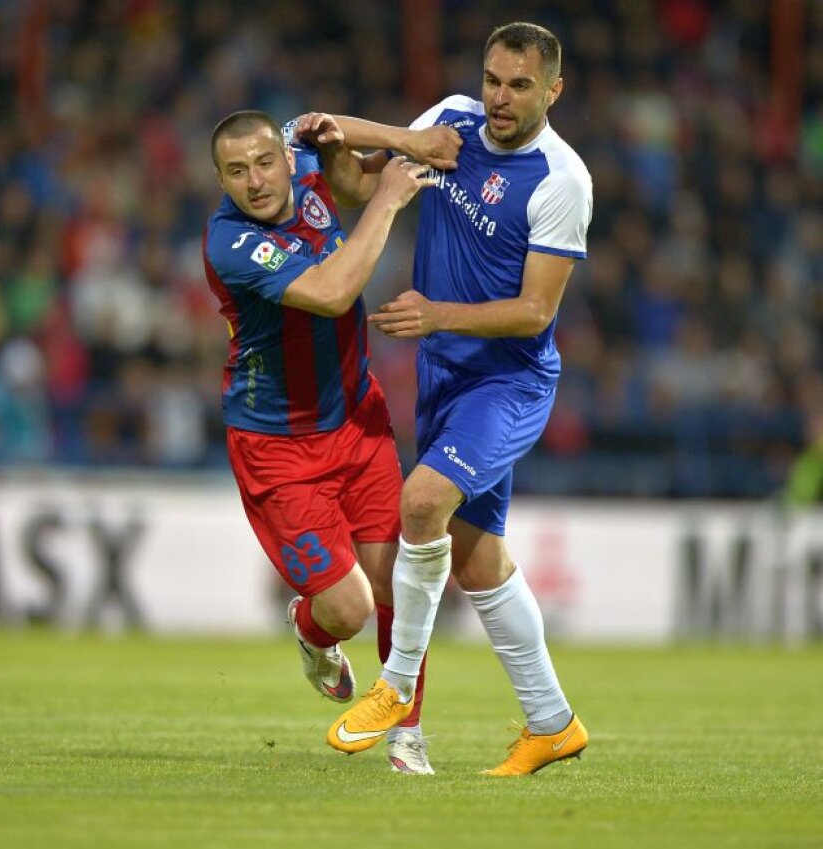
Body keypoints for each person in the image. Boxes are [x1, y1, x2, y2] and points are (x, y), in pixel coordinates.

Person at [301, 21, 593, 775]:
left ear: (553, 91)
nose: (500, 97)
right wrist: (335, 141)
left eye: (520, 85)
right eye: (494, 78)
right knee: (476, 558)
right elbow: (362, 186)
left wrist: (434, 314)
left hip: (508, 381)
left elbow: (535, 312)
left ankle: (395, 687)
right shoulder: (451, 121)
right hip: (445, 378)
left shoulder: (561, 179)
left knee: (421, 503)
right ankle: (552, 723)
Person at [202, 110, 459, 774]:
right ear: (220, 179)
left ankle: (409, 732)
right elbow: (335, 291)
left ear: (284, 158)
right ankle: (311, 628)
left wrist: (403, 143)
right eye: (236, 171)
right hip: (278, 447)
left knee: (395, 588)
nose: (255, 181)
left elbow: (322, 123)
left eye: (264, 162)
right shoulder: (231, 242)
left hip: (357, 421)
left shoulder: (303, 155)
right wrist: (392, 196)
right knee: (345, 608)